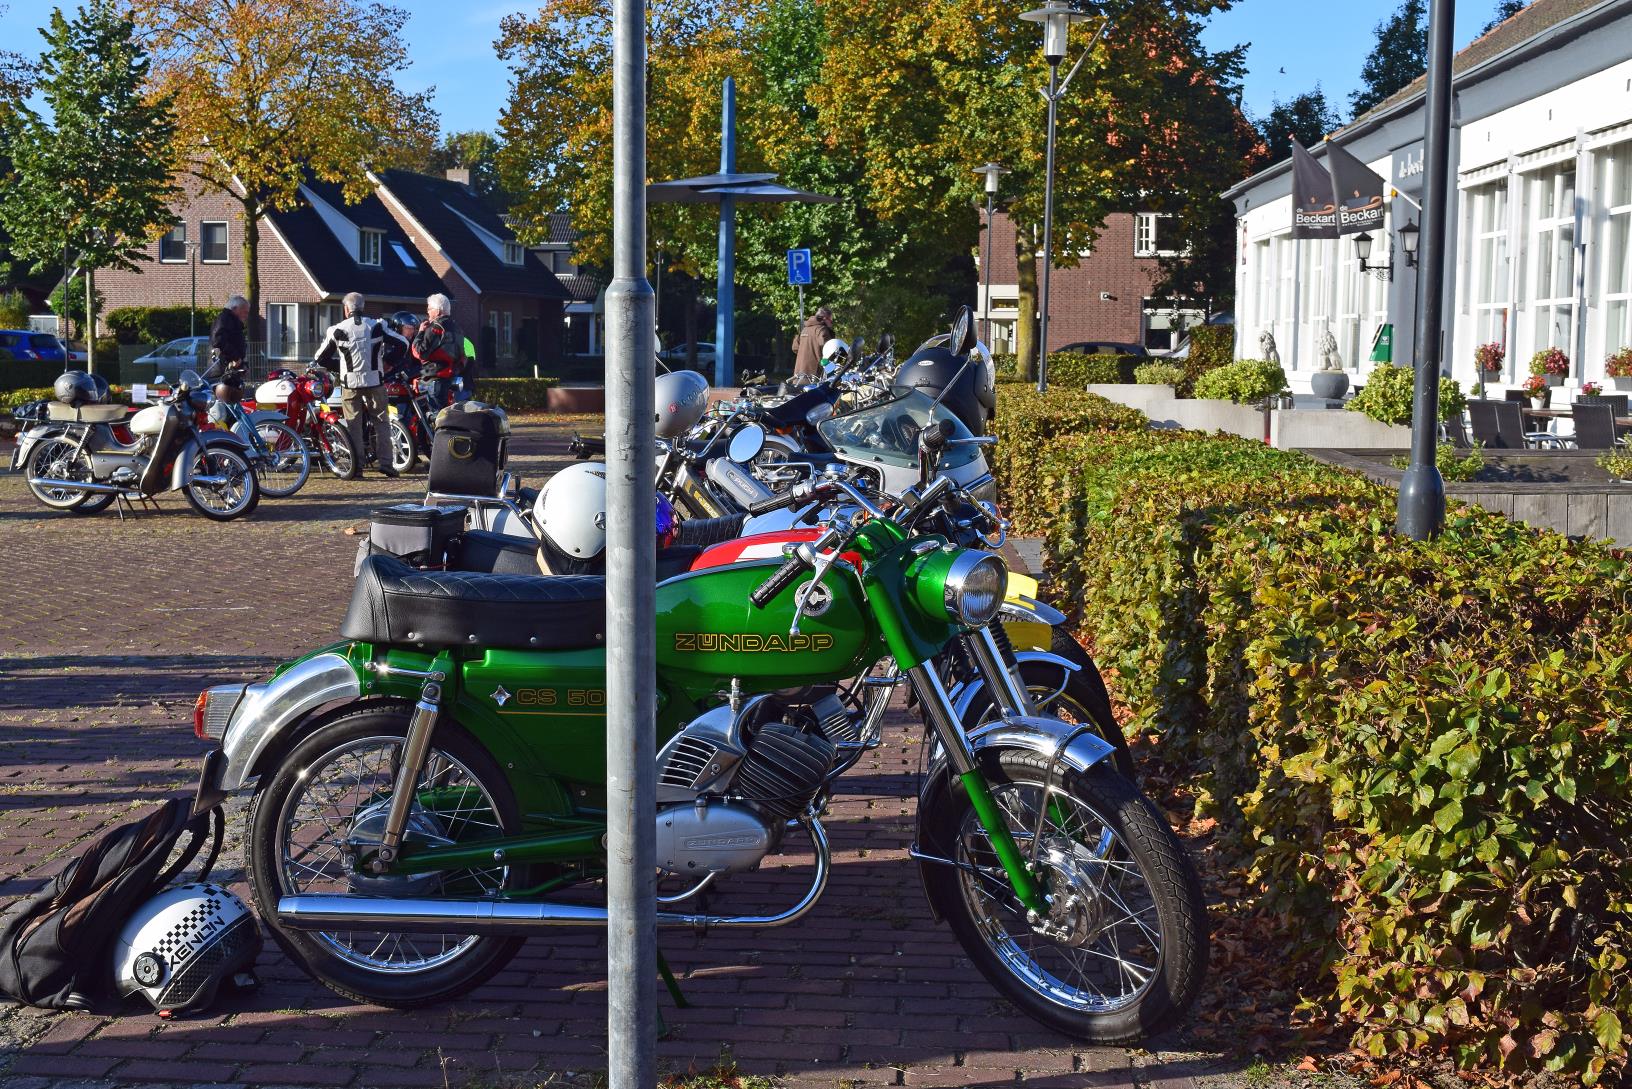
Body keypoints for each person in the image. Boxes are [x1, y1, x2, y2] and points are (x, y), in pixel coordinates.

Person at [314, 292, 407, 478]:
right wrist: (388, 362)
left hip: (350, 383)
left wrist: (340, 368)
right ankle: (386, 464)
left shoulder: (337, 330)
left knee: (353, 425)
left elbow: (320, 358)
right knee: (382, 421)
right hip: (375, 381)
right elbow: (403, 344)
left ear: (346, 309)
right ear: (363, 307)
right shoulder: (377, 326)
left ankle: (357, 467)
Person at [411, 293, 467, 410]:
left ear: (437, 311)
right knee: (446, 415)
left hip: (435, 380)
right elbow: (462, 356)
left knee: (435, 416)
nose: (427, 312)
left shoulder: (435, 327)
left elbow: (420, 352)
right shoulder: (457, 328)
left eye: (429, 309)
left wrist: (420, 333)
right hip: (451, 379)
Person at [204, 295, 250, 386]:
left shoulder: (231, 321)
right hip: (221, 371)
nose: (246, 315)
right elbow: (218, 341)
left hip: (227, 369)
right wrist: (236, 358)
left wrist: (242, 364)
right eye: (245, 312)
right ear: (235, 309)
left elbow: (232, 343)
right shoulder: (224, 319)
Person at [792, 306, 835, 380]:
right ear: (825, 318)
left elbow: (795, 348)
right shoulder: (822, 330)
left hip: (798, 375)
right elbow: (829, 350)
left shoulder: (804, 329)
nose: (831, 324)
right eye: (831, 321)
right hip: (814, 376)